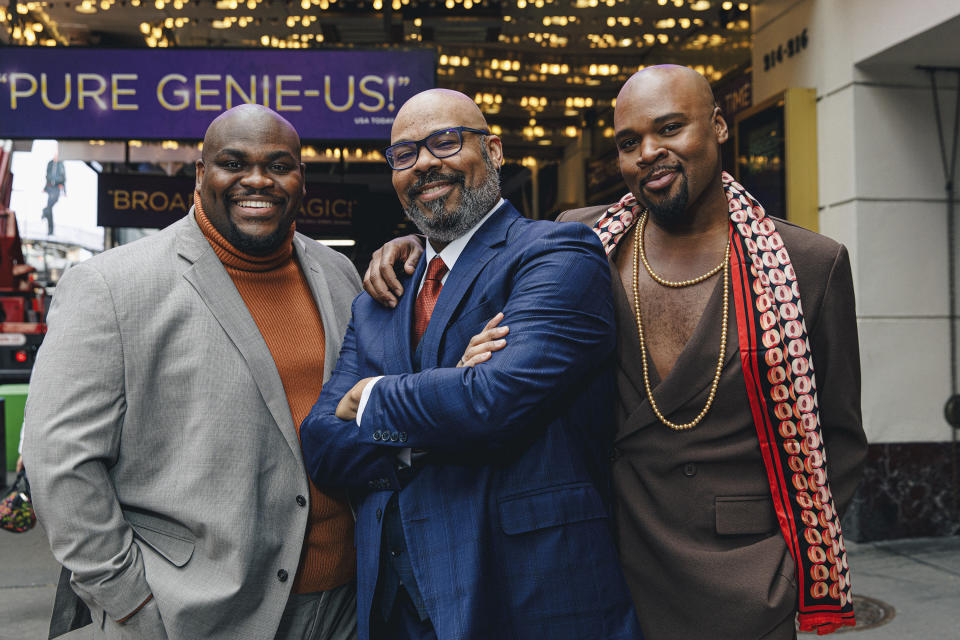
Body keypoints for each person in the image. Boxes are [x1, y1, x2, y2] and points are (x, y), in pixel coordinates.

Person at [364, 67, 868, 639]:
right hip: (603, 556)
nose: (649, 153)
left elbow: (840, 438)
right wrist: (417, 247)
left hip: (740, 580)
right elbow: (485, 243)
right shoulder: (579, 238)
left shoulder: (808, 263)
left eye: (671, 128)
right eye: (629, 143)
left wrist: (776, 566)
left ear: (719, 127)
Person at [299, 88, 641, 640]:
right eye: (405, 153)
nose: (426, 164)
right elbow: (321, 442)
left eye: (446, 141)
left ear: (495, 150)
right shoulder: (380, 296)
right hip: (393, 609)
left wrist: (376, 396)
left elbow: (491, 403)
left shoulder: (557, 254)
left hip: (524, 597)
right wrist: (448, 394)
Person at [23, 104, 361, 640]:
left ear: (301, 179)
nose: (257, 179)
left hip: (345, 602)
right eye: (234, 162)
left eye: (279, 164)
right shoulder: (111, 286)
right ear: (201, 176)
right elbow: (60, 463)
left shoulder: (339, 274)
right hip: (196, 612)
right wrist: (133, 603)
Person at [42, 150, 66, 236]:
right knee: (50, 209)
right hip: (50, 187)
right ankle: (50, 230)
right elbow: (47, 175)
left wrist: (64, 190)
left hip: (57, 187)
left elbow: (64, 177)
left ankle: (44, 211)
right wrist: (45, 187)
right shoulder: (50, 163)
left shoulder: (61, 164)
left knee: (50, 206)